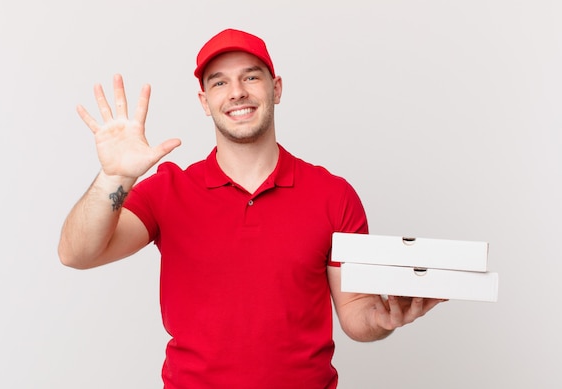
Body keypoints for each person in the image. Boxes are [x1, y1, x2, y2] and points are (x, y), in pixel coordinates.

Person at [58, 28, 444, 389]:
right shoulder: (168, 190)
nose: (237, 92)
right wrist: (115, 178)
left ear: (276, 89)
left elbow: (356, 310)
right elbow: (76, 254)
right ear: (204, 102)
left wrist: (382, 319)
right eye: (219, 82)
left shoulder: (333, 194)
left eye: (251, 77)